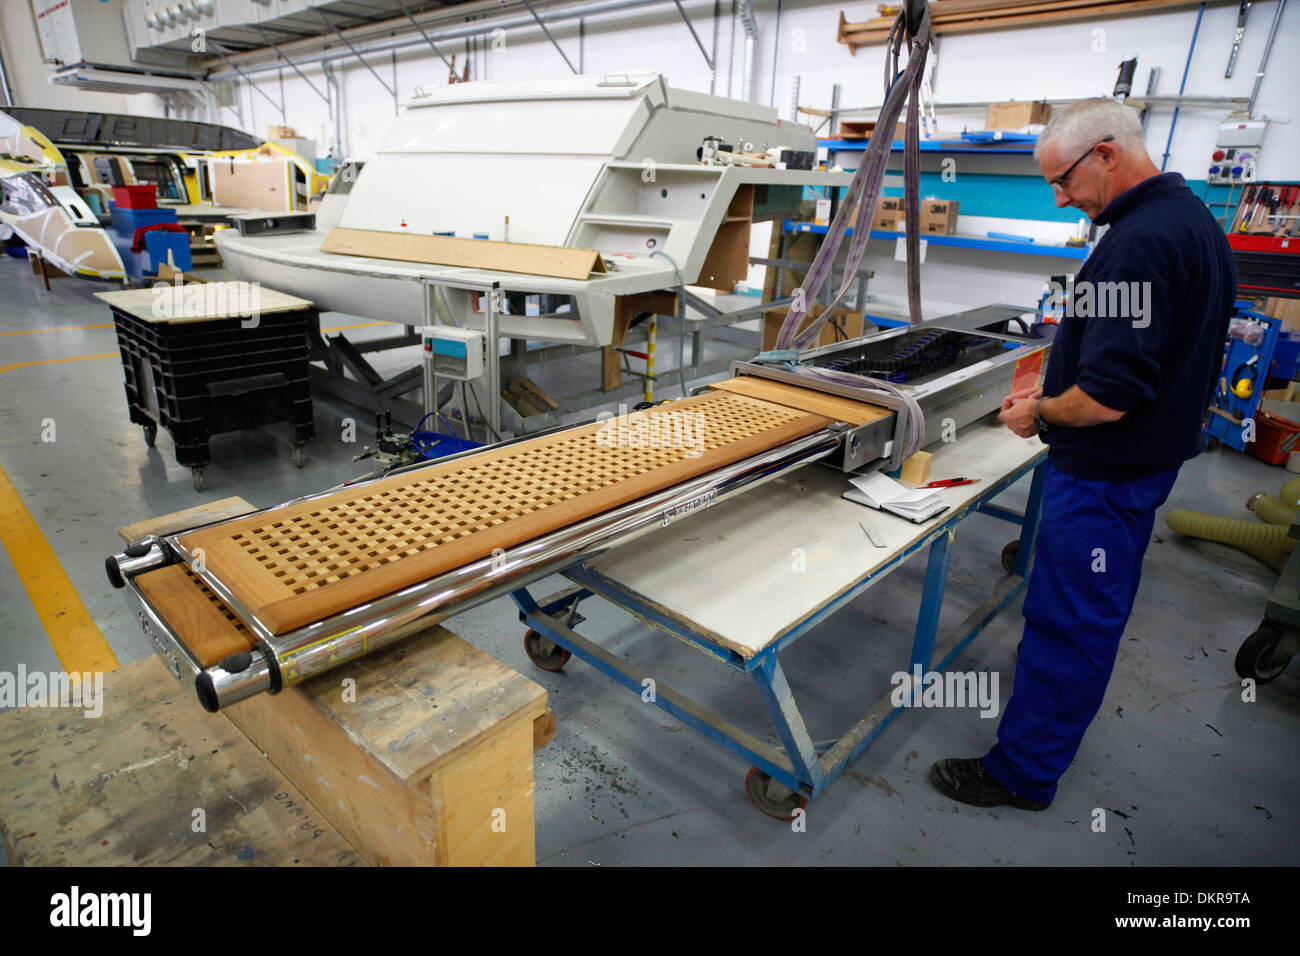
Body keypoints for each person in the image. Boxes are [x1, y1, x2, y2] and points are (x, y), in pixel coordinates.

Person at [929, 98, 1236, 810]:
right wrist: (1065, 369)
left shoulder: (1138, 242)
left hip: (1105, 471)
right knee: (1084, 606)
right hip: (1146, 463)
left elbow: (1109, 398)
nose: (1062, 199)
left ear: (1105, 153)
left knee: (1072, 621)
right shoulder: (1190, 222)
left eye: (1063, 182)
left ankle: (1022, 772)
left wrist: (1040, 410)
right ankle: (1047, 695)